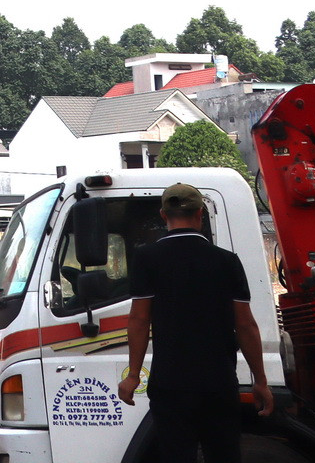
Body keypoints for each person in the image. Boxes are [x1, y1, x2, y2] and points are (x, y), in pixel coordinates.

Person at [117, 182, 272, 463]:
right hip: (219, 383)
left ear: (164, 216)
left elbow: (139, 320)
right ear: (200, 214)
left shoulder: (147, 259)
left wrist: (132, 375)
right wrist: (260, 380)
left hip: (171, 385)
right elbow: (246, 325)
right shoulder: (227, 261)